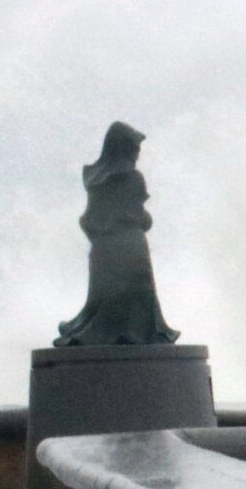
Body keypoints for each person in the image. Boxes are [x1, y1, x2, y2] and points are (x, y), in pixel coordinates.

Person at [53, 121, 178, 346]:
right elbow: (140, 216)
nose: (138, 154)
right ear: (125, 148)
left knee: (102, 301)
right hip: (131, 247)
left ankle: (98, 334)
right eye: (135, 149)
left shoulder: (96, 180)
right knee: (137, 297)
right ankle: (135, 335)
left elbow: (89, 219)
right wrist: (143, 220)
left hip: (103, 248)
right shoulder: (133, 177)